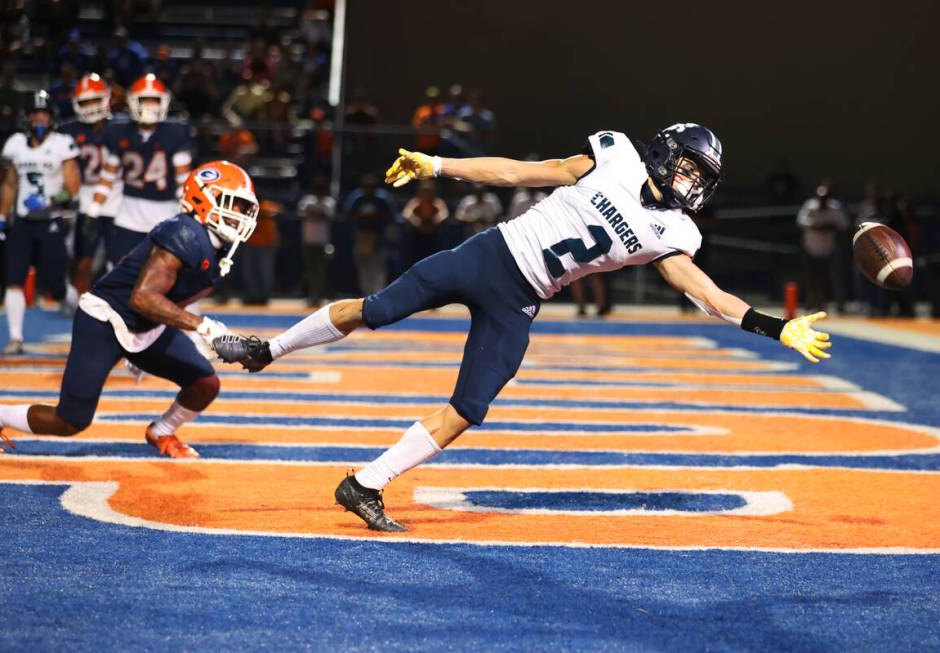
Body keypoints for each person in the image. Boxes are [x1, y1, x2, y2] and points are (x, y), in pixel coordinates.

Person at [215, 123, 832, 533]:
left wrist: (777, 328)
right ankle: (269, 349)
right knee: (374, 309)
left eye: (704, 179)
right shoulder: (611, 156)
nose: (693, 184)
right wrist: (438, 164)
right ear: (667, 152)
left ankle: (365, 482)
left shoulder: (678, 231)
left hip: (523, 299)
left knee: (469, 407)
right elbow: (517, 172)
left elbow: (706, 292)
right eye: (691, 169)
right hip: (490, 254)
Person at [0, 161, 259, 458]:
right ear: (203, 198)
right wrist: (202, 327)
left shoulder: (220, 250)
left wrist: (159, 334)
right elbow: (143, 298)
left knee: (205, 383)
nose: (240, 215)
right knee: (71, 420)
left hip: (146, 323)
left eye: (244, 208)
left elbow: (174, 296)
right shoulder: (185, 233)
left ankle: (161, 431)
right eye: (234, 204)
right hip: (107, 319)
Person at [0, 91, 81, 355]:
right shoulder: (16, 144)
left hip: (51, 221)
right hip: (23, 222)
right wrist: (1, 217)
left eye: (43, 113)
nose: (39, 118)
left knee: (58, 286)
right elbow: (9, 184)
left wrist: (50, 200)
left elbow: (73, 188)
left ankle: (82, 316)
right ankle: (16, 338)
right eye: (35, 113)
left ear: (51, 117)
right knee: (14, 279)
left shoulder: (62, 143)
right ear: (27, 118)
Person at [85, 74, 194, 265]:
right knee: (117, 269)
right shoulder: (119, 132)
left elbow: (183, 182)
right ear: (133, 102)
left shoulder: (174, 134)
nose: (149, 107)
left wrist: (187, 214)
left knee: (163, 272)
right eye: (145, 100)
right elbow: (108, 174)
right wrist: (94, 209)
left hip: (164, 214)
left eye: (154, 101)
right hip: (128, 214)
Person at [60, 74, 122, 296]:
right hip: (86, 201)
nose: (91, 107)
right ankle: (78, 301)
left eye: (95, 100)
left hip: (119, 200)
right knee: (83, 258)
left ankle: (118, 300)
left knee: (121, 258)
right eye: (85, 102)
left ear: (106, 99)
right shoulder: (68, 131)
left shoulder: (121, 127)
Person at [796, 180, 849, 312]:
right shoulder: (810, 206)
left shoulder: (835, 207)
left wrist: (827, 226)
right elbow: (801, 222)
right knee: (811, 278)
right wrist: (819, 226)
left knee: (827, 279)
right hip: (810, 248)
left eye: (825, 198)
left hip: (828, 250)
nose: (822, 201)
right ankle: (809, 304)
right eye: (821, 198)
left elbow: (844, 224)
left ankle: (823, 305)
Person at [297, 177, 336, 306]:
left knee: (320, 270)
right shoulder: (308, 200)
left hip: (322, 242)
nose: (319, 191)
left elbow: (325, 215)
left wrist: (314, 212)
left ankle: (318, 297)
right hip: (308, 240)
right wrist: (315, 212)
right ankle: (310, 296)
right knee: (309, 270)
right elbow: (303, 213)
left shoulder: (328, 202)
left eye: (322, 189)